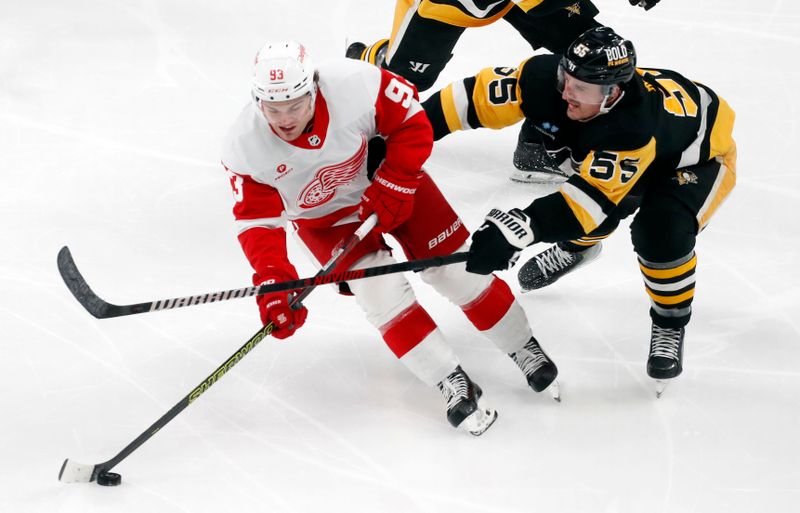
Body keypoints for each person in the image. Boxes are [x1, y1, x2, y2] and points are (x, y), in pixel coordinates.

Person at [220, 40, 559, 435]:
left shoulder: (354, 82)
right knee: (380, 292)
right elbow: (257, 223)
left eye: (295, 105)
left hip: (388, 179)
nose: (285, 118)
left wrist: (398, 180)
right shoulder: (244, 146)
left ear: (313, 88)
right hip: (324, 220)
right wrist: (275, 280)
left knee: (457, 270)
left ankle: (522, 345)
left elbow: (412, 119)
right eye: (273, 109)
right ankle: (448, 378)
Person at [422, 27, 736, 392]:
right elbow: (467, 100)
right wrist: (405, 137)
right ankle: (579, 249)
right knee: (584, 193)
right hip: (632, 152)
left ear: (612, 94)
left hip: (696, 163)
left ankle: (670, 321)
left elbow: (589, 204)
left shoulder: (632, 127)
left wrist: (521, 229)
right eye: (565, 78)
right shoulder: (543, 77)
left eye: (580, 88)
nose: (566, 91)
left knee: (660, 234)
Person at [346, 0, 663, 183]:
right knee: (403, 82)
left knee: (587, 55)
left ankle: (539, 143)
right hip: (443, 8)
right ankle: (374, 58)